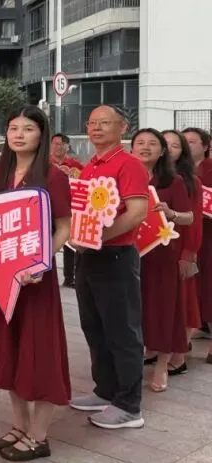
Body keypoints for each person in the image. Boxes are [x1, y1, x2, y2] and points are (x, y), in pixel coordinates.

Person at [0, 107, 72, 461]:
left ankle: (39, 435)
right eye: (13, 127)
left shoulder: (53, 176)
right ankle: (19, 425)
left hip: (36, 281)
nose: (19, 134)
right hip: (2, 281)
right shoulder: (0, 176)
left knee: (40, 351)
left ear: (42, 134)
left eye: (28, 128)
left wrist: (42, 261)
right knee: (10, 350)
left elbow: (63, 227)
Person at [70, 105, 149, 429]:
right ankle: (106, 390)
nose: (97, 128)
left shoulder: (128, 164)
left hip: (115, 255)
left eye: (105, 123)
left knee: (122, 330)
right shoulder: (90, 166)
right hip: (89, 256)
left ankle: (129, 405)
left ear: (123, 127)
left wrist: (98, 238)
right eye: (92, 123)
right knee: (95, 326)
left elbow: (137, 212)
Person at [132, 129, 192, 393]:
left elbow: (189, 217)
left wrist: (170, 213)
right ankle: (143, 352)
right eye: (140, 143)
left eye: (152, 143)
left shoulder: (173, 181)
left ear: (162, 151)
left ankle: (162, 365)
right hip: (129, 254)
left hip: (162, 254)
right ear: (131, 148)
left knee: (164, 309)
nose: (145, 147)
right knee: (136, 308)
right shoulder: (123, 177)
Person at [162, 130, 203, 371]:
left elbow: (194, 221)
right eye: (164, 144)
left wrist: (189, 253)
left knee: (184, 303)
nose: (169, 150)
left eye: (175, 146)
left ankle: (180, 353)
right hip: (155, 250)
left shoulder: (190, 181)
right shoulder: (149, 178)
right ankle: (158, 349)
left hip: (180, 249)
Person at [182, 127, 212, 354]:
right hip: (185, 236)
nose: (187, 145)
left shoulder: (208, 168)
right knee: (194, 286)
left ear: (205, 145)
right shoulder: (176, 171)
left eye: (192, 141)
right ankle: (197, 325)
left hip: (208, 235)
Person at [51, 133, 84, 289]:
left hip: (70, 209)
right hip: (48, 209)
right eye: (56, 143)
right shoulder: (43, 164)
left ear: (68, 147)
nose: (59, 146)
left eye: (62, 144)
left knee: (71, 245)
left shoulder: (76, 165)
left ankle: (69, 277)